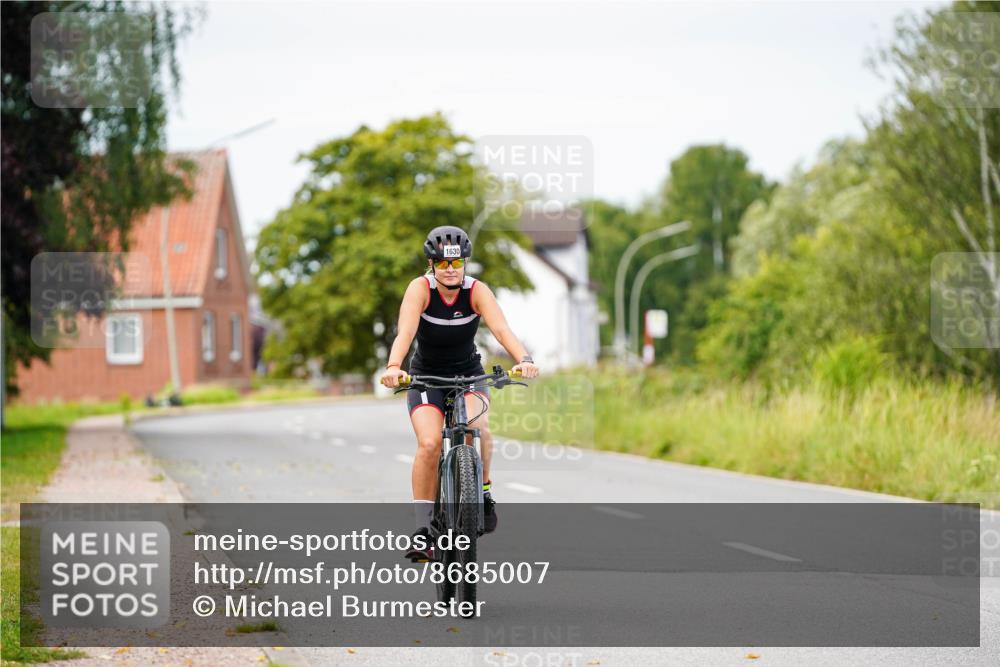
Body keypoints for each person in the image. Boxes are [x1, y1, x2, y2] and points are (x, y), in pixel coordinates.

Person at [380, 225, 539, 561]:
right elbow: (405, 332)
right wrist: (394, 366)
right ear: (431, 264)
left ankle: (482, 493)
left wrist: (523, 359)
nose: (450, 270)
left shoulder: (477, 291)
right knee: (429, 443)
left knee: (479, 432)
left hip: (469, 374)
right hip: (426, 377)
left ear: (465, 263)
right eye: (442, 264)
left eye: (456, 264)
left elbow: (500, 329)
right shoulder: (420, 289)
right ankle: (424, 530)